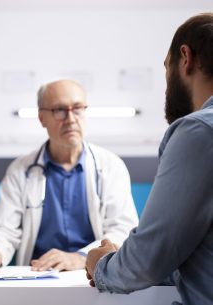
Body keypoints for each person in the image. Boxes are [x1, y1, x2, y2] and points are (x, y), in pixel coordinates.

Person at [86, 12, 213, 305]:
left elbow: (145, 262)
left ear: (185, 58)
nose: (166, 85)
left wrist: (101, 263)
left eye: (166, 68)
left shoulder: (198, 131)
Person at [0, 79, 138, 273]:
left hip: (92, 276)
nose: (70, 118)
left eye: (77, 108)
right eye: (59, 110)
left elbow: (123, 230)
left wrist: (81, 257)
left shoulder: (110, 166)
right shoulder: (21, 170)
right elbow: (3, 229)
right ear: (42, 118)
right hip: (38, 275)